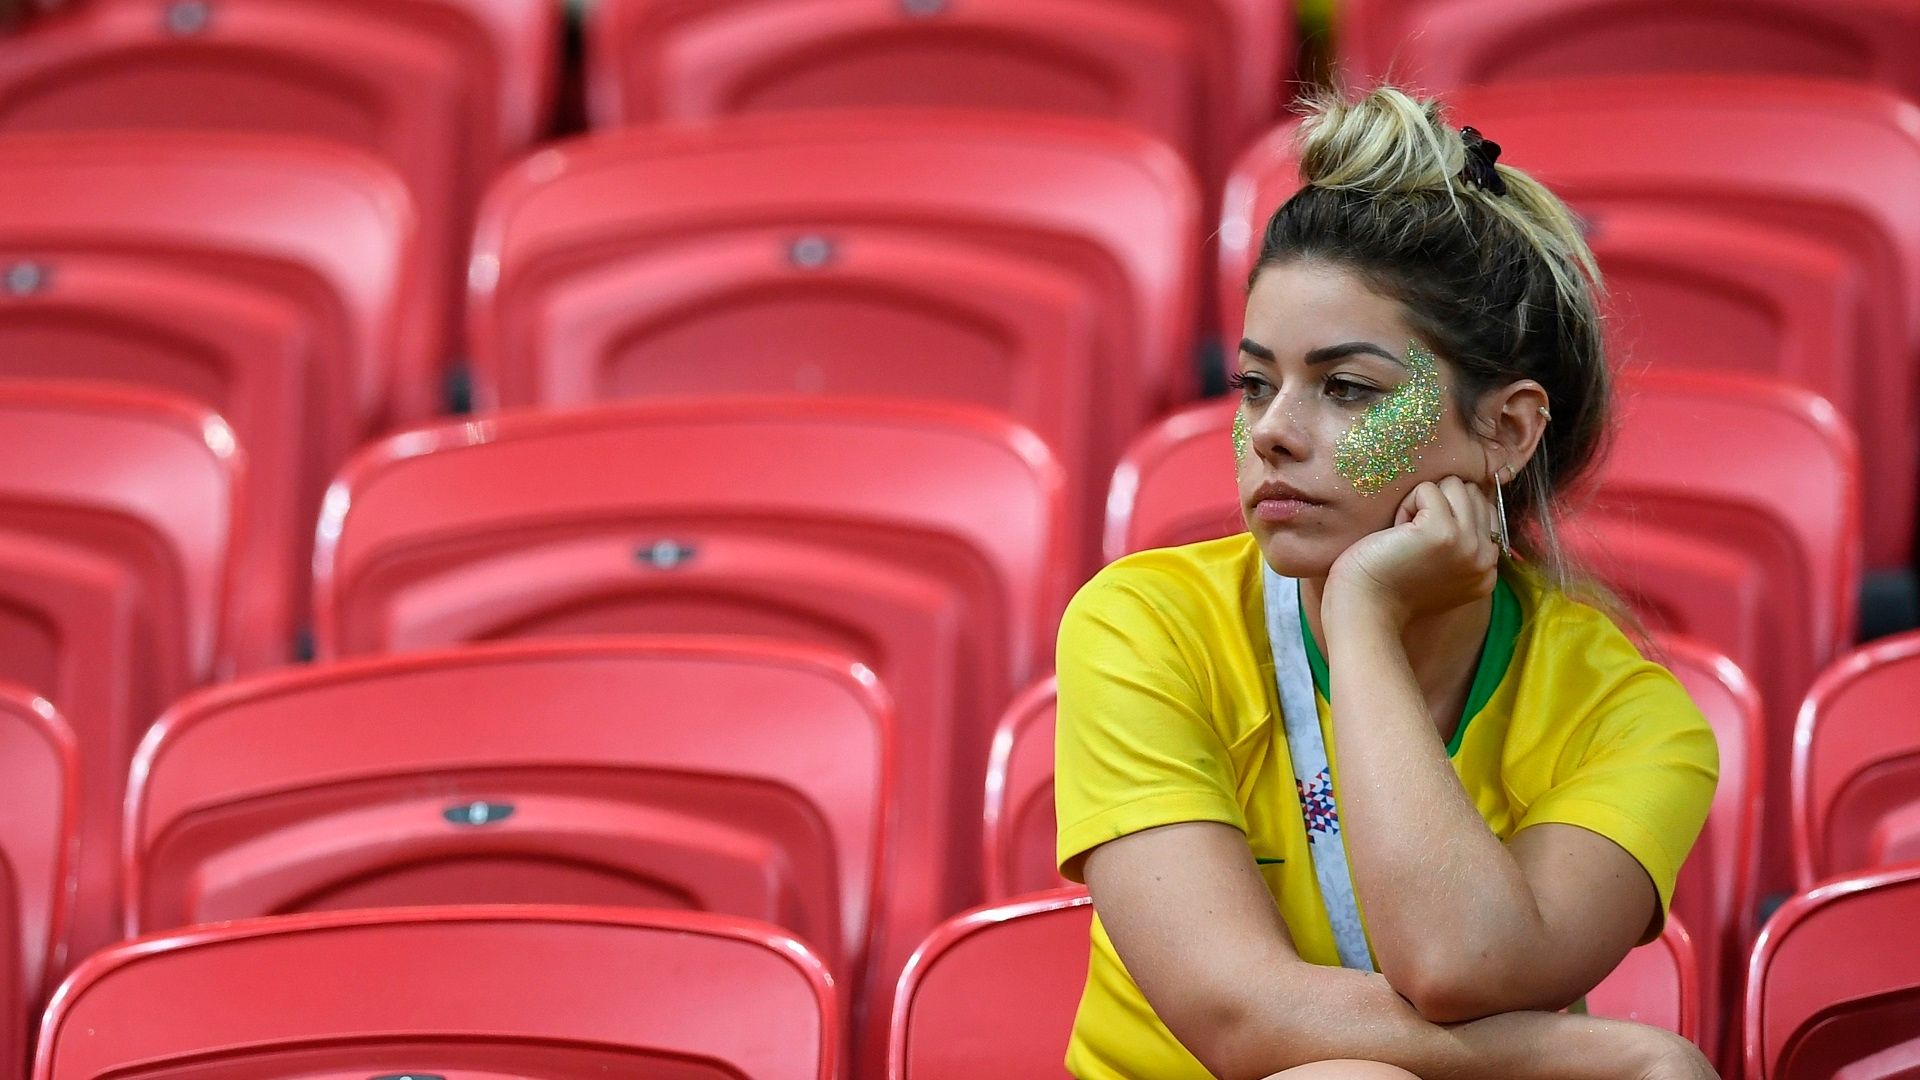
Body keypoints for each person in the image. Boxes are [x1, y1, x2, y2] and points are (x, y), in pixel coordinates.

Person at [1053, 85, 1721, 1080]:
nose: (1272, 429)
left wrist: (1361, 621)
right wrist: (1609, 1057)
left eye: (1347, 388)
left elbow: (1456, 963)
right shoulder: (1141, 625)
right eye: (1253, 381)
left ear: (1506, 431)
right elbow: (1240, 1020)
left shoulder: (1632, 720)